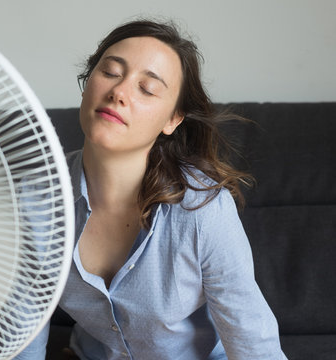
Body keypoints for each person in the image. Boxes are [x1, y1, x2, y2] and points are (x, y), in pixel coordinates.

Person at [16, 19, 287, 360]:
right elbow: (24, 331)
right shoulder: (34, 200)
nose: (119, 92)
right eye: (111, 72)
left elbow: (250, 335)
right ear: (87, 83)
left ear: (173, 119)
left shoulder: (202, 207)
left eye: (147, 88)